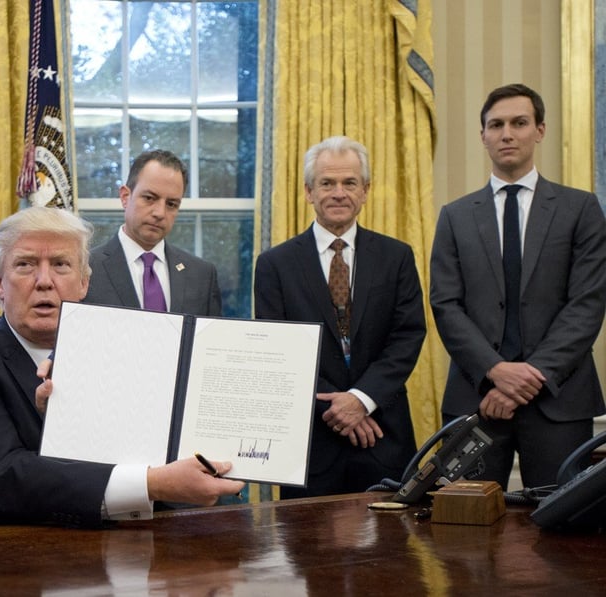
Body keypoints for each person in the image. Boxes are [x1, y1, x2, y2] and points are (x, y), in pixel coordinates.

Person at [0, 207, 243, 532]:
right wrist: (152, 483)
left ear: (84, 283)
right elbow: (3, 477)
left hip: (109, 553)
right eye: (25, 264)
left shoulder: (125, 359)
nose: (44, 282)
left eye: (60, 265)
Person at [430, 83, 606, 490]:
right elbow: (446, 305)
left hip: (558, 401)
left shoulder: (579, 209)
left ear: (540, 130)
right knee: (466, 532)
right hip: (475, 399)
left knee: (563, 533)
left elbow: (587, 304)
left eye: (519, 123)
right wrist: (494, 371)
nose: (506, 133)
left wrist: (527, 380)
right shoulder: (455, 216)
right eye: (496, 125)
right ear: (483, 136)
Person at [254, 136, 426, 498]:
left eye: (349, 183)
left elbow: (407, 336)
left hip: (382, 436)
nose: (338, 193)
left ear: (365, 191)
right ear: (308, 192)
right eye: (326, 183)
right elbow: (278, 352)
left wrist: (361, 399)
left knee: (392, 551)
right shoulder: (274, 265)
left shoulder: (396, 257)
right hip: (311, 443)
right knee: (307, 551)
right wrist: (338, 408)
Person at [83, 149, 222, 316]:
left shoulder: (202, 276)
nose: (160, 213)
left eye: (171, 204)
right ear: (125, 197)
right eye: (149, 198)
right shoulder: (85, 268)